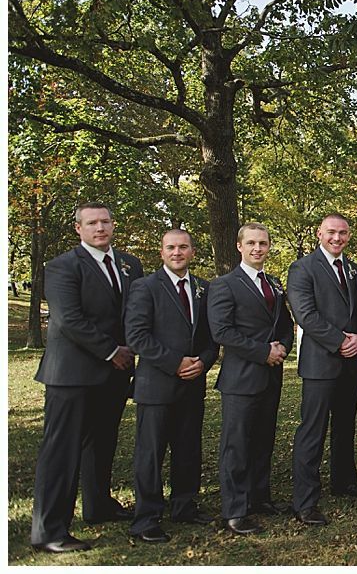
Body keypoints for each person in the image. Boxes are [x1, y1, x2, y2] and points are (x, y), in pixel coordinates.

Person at [30, 202, 143, 553]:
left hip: (113, 375)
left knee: (102, 443)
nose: (100, 228)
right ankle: (49, 531)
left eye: (106, 221)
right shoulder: (62, 266)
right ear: (78, 228)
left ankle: (98, 505)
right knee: (62, 451)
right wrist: (113, 351)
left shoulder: (129, 264)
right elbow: (69, 320)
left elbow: (135, 310)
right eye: (92, 223)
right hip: (73, 374)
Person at [125, 229, 219, 543]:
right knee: (150, 453)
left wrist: (203, 362)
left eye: (183, 247)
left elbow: (210, 338)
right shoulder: (145, 287)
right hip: (157, 384)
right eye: (170, 247)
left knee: (188, 448)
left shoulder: (203, 289)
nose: (177, 252)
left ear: (192, 251)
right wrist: (175, 362)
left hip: (193, 383)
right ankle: (146, 518)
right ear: (162, 252)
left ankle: (184, 505)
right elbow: (137, 336)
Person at [207, 222, 294, 535]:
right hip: (242, 378)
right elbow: (222, 332)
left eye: (263, 243)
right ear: (239, 246)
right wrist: (262, 352)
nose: (258, 248)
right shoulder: (224, 284)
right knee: (237, 445)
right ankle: (235, 510)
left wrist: (284, 345)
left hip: (271, 375)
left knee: (263, 440)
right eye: (252, 243)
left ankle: (260, 497)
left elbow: (285, 323)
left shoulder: (273, 283)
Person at [286, 214, 357, 526]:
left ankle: (344, 480)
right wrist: (339, 341)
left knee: (346, 424)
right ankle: (305, 500)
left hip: (351, 362)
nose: (337, 238)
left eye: (343, 233)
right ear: (320, 233)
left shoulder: (354, 269)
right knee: (313, 430)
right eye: (331, 232)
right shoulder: (302, 268)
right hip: (321, 362)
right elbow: (305, 314)